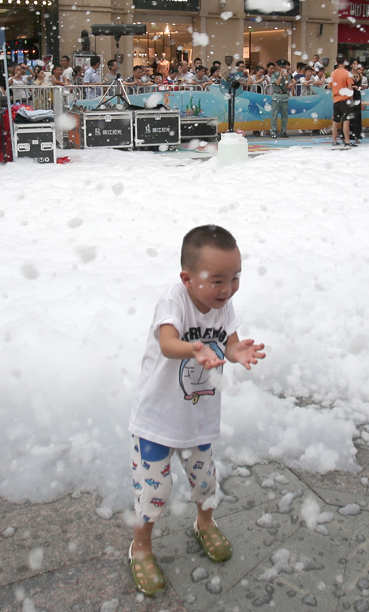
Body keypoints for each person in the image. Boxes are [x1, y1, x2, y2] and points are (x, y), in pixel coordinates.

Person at [128, 224, 265, 597]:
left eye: (235, 278)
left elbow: (231, 344)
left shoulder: (223, 305)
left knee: (205, 481)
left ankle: (205, 522)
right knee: (154, 493)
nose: (228, 289)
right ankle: (141, 545)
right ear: (187, 279)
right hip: (157, 421)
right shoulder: (174, 300)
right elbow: (169, 342)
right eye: (217, 280)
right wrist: (194, 349)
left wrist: (239, 353)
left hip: (198, 419)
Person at [330, 59, 355, 147]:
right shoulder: (347, 73)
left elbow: (330, 85)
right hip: (345, 99)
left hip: (336, 99)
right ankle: (347, 141)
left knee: (335, 121)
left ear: (336, 61)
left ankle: (334, 140)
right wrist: (352, 99)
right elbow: (350, 87)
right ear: (345, 61)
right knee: (346, 121)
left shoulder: (333, 73)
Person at [269, 59, 295, 138]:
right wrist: (281, 75)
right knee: (274, 115)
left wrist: (287, 79)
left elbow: (286, 87)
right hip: (277, 96)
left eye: (284, 67)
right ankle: (273, 131)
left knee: (284, 116)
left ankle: (283, 131)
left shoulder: (288, 75)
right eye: (281, 67)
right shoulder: (274, 74)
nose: (282, 68)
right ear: (278, 67)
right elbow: (277, 83)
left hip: (284, 96)